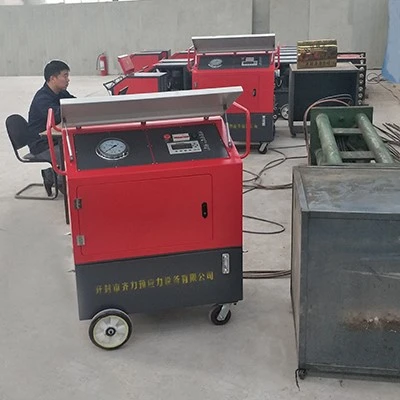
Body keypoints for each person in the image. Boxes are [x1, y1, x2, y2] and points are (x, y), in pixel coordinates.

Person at [28, 60, 75, 196]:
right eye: (65, 76)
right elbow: (58, 115)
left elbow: (74, 104)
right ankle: (59, 181)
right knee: (70, 154)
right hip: (41, 144)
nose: (68, 80)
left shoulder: (61, 93)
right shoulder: (42, 99)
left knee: (79, 146)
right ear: (53, 78)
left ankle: (51, 174)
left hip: (55, 139)